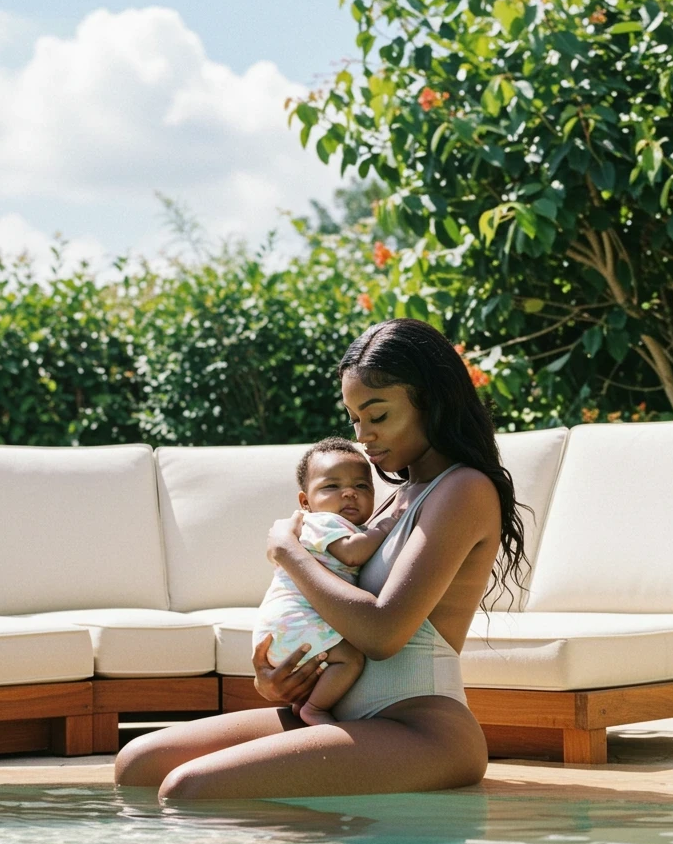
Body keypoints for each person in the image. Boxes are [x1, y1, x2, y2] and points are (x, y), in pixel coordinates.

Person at [114, 317, 528, 800]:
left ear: (431, 401)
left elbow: (382, 633)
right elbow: (332, 617)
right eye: (354, 419)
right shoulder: (390, 500)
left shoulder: (463, 490)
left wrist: (288, 553)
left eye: (378, 416)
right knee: (137, 764)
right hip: (341, 715)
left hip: (423, 731)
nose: (364, 435)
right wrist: (281, 682)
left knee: (188, 788)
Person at [253, 437, 404, 725]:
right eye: (332, 486)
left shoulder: (345, 526)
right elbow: (351, 553)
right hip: (294, 621)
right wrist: (386, 525)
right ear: (305, 501)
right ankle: (315, 709)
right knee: (350, 658)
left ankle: (305, 704)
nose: (349, 493)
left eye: (361, 486)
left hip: (286, 626)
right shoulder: (322, 522)